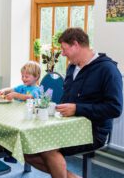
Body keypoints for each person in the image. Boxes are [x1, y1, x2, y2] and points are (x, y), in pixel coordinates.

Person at [24, 28, 123, 178]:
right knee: (27, 146)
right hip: (66, 126)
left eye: (64, 49)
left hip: (93, 131)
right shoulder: (72, 68)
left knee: (47, 148)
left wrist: (77, 109)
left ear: (76, 45)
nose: (62, 54)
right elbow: (67, 99)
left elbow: (115, 109)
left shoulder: (107, 70)